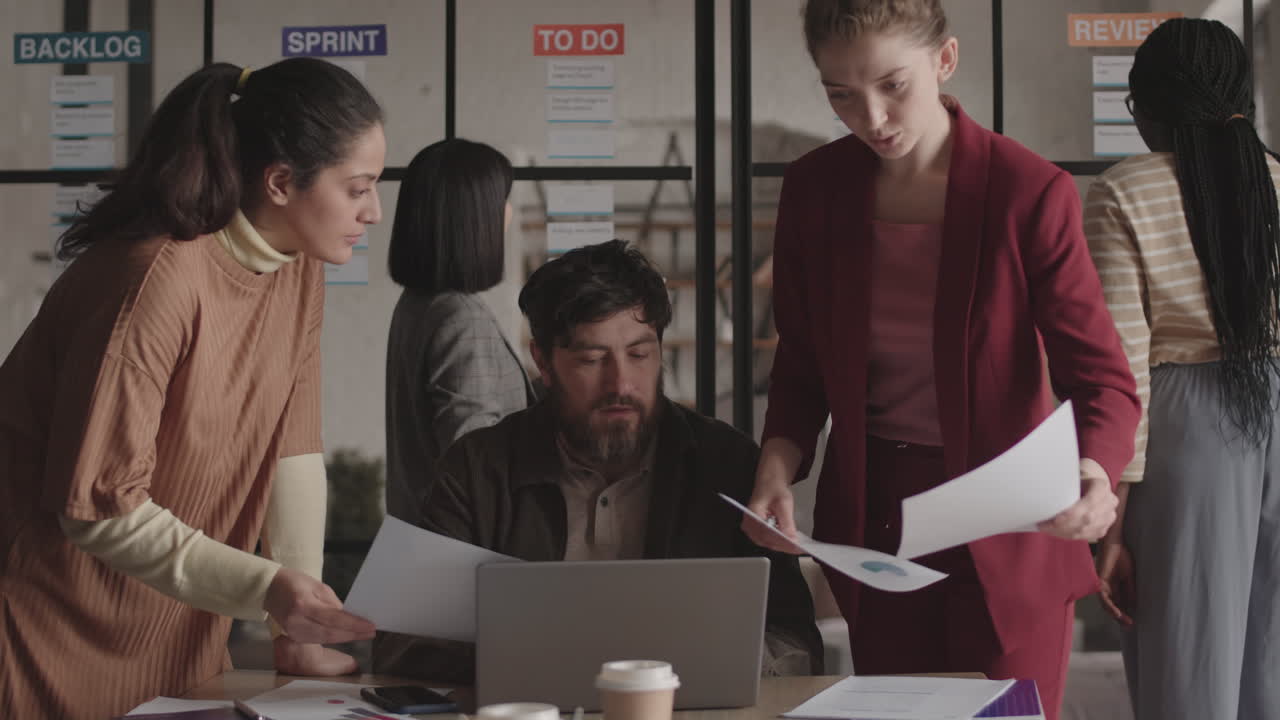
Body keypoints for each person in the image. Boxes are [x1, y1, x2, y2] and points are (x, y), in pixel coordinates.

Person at [741, 2, 1140, 718]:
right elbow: (802, 363)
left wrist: (1093, 474)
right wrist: (775, 471)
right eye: (841, 94)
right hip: (878, 524)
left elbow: (1102, 379)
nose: (871, 116)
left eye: (893, 84)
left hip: (1012, 519)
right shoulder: (815, 190)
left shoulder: (1027, 192)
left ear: (944, 61)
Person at [0, 58, 383, 719]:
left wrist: (292, 623)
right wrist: (267, 589)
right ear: (282, 182)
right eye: (358, 189)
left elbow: (293, 448)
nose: (374, 211)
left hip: (173, 629)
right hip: (45, 624)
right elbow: (98, 506)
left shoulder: (297, 270)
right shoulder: (157, 281)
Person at [376, 240, 823, 683]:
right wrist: (542, 663)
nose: (621, 383)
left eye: (639, 354)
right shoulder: (476, 470)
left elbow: (797, 641)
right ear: (543, 362)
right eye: (591, 359)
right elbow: (401, 641)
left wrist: (714, 662)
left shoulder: (726, 464)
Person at [1085, 18, 1280, 720]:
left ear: (1147, 109)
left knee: (1188, 667)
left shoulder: (1123, 192)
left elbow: (1123, 367)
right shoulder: (1276, 183)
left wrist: (1112, 525)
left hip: (1185, 432)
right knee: (1271, 654)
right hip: (1274, 408)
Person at [376, 139, 537, 669]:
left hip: (422, 570)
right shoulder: (459, 317)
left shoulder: (417, 306)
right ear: (474, 216)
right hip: (455, 586)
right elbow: (471, 461)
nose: (510, 212)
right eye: (503, 198)